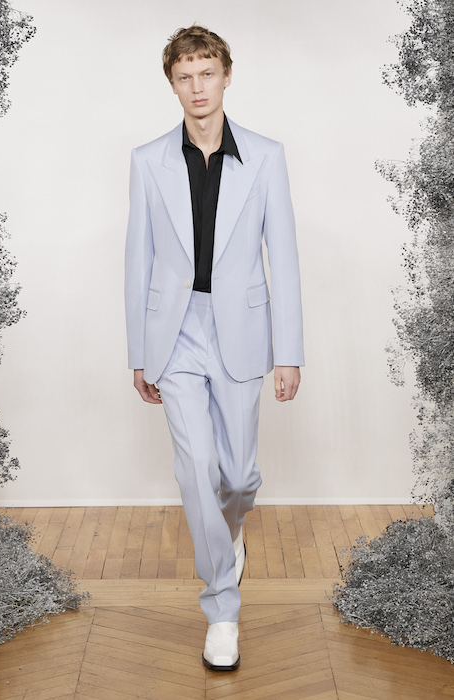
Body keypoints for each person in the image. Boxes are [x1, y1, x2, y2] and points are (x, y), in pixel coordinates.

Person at [124, 23, 304, 672]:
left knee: (237, 476)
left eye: (207, 74)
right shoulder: (148, 160)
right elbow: (138, 259)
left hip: (242, 332)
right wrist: (138, 352)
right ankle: (221, 608)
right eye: (185, 77)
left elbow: (282, 257)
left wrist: (289, 351)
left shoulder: (266, 156)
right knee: (195, 468)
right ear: (172, 84)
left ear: (226, 76)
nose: (197, 87)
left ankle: (231, 532)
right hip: (174, 334)